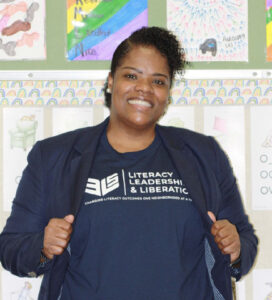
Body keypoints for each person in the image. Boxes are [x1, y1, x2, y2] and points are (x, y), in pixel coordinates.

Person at [0, 26, 258, 300]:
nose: (144, 89)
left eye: (158, 81)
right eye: (132, 76)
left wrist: (237, 246)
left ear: (168, 93)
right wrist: (42, 245)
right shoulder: (54, 156)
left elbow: (245, 241)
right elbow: (11, 248)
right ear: (111, 81)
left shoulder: (204, 154)